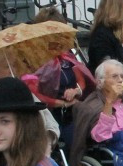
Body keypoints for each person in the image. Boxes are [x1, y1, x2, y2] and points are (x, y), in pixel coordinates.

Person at [25, 8, 96, 148]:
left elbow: (81, 80)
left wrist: (76, 91)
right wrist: (61, 103)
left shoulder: (68, 54)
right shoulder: (35, 60)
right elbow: (35, 94)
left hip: (72, 111)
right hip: (49, 114)